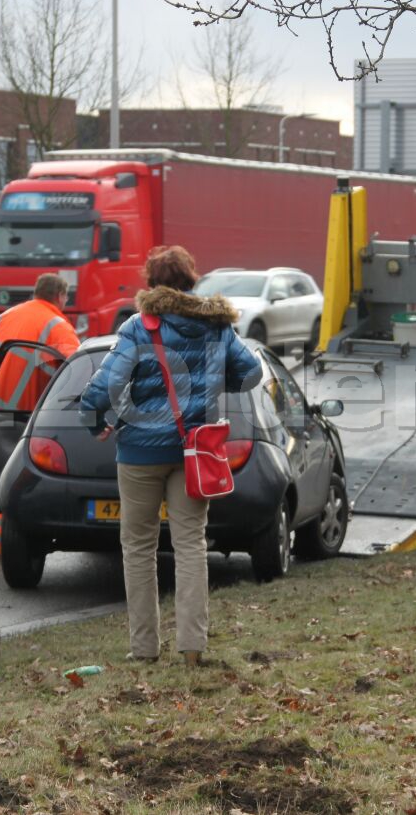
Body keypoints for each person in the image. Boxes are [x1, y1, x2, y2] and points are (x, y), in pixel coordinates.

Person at [79, 246, 261, 666]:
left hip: (139, 452)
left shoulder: (139, 328)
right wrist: (215, 384)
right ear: (191, 280)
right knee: (191, 545)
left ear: (152, 283)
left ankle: (144, 649)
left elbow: (105, 384)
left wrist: (96, 422)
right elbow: (251, 373)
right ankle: (193, 649)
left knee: (139, 547)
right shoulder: (218, 328)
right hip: (195, 451)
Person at [0, 273, 81, 555]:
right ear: (60, 296)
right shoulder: (58, 325)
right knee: (11, 478)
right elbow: (78, 370)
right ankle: (8, 546)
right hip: (14, 412)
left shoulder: (5, 316)